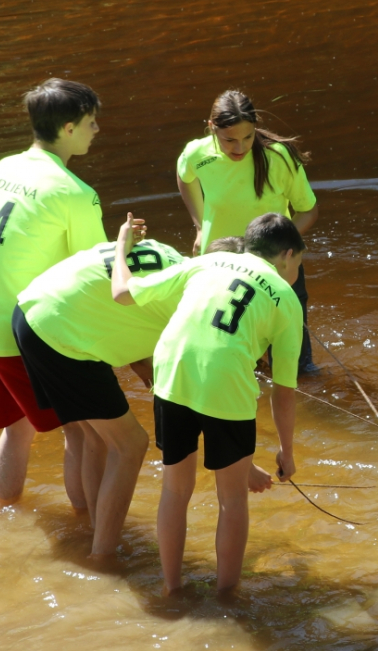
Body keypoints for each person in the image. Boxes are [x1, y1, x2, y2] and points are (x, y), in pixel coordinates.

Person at [111, 212, 305, 596]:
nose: (296, 270)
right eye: (299, 262)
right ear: (286, 255)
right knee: (232, 500)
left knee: (175, 490)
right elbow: (283, 391)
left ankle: (171, 589)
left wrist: (121, 245)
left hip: (171, 372)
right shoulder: (286, 298)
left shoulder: (203, 262)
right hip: (227, 381)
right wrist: (286, 450)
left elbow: (122, 292)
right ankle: (227, 596)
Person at [0, 78, 106, 506]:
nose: (97, 130)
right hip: (15, 332)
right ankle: (91, 537)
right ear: (69, 128)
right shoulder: (75, 193)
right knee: (84, 431)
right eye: (92, 122)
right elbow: (95, 275)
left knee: (16, 427)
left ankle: (3, 516)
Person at [12, 230, 185, 559]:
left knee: (98, 439)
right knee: (131, 444)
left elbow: (121, 302)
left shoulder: (171, 256)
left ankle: (96, 533)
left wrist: (142, 363)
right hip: (61, 333)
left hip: (30, 311)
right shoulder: (194, 308)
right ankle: (103, 558)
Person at [177, 90, 320, 373]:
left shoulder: (279, 158)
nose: (239, 148)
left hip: (278, 265)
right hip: (220, 264)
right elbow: (184, 177)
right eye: (229, 140)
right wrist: (199, 225)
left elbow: (309, 211)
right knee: (238, 357)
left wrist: (274, 250)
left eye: (248, 137)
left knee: (296, 366)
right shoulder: (198, 153)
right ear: (211, 127)